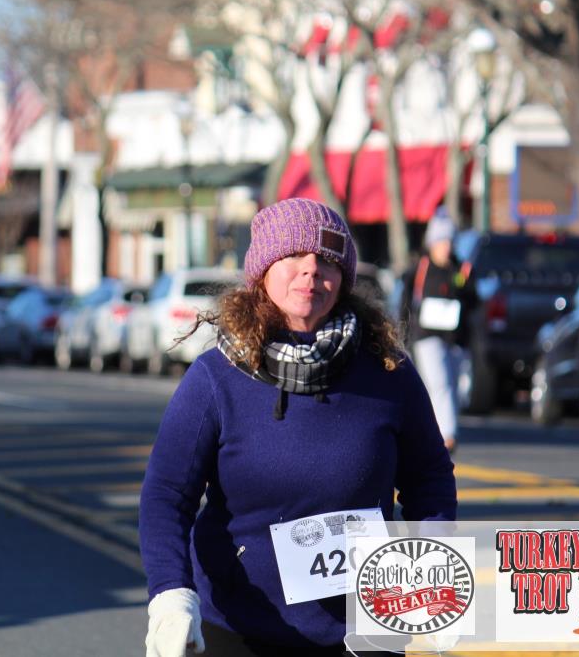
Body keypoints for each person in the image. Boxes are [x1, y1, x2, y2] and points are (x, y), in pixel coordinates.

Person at [139, 198, 457, 657]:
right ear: (262, 271)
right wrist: (171, 596)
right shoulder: (216, 377)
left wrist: (437, 572)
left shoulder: (389, 373)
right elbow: (167, 494)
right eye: (293, 256)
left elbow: (429, 479)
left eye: (327, 260)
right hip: (241, 628)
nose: (311, 270)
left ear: (343, 279)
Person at [399, 214, 471, 453]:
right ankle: (447, 436)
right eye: (441, 241)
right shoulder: (420, 268)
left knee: (452, 386)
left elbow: (473, 302)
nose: (446, 247)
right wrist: (403, 335)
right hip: (426, 336)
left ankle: (433, 434)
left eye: (449, 241)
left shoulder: (461, 269)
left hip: (455, 339)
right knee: (440, 383)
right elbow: (405, 303)